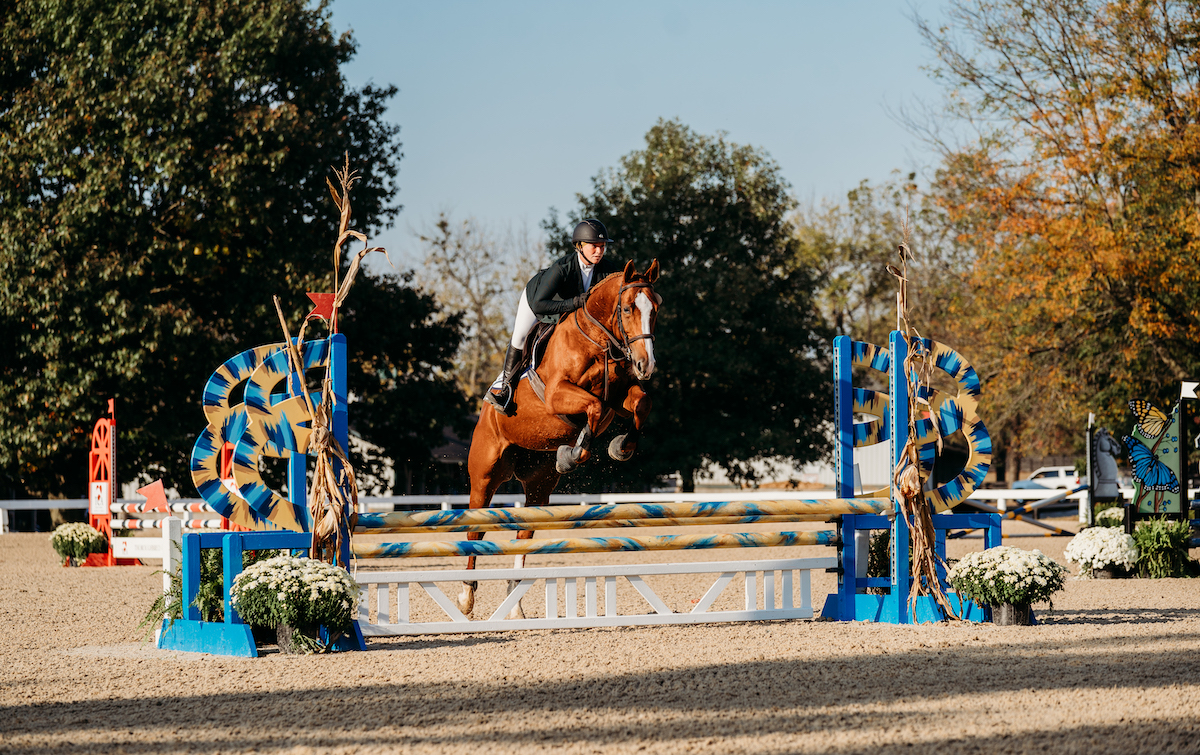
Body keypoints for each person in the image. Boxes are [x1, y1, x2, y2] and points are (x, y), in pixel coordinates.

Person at [484, 218, 625, 415]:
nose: (599, 251)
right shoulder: (562, 268)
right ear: (579, 246)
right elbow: (540, 304)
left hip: (572, 312)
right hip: (538, 301)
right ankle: (505, 389)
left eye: (602, 247)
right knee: (520, 337)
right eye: (594, 247)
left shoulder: (608, 269)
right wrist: (573, 303)